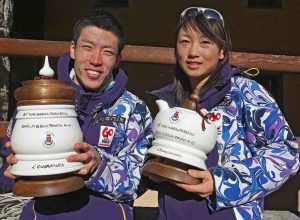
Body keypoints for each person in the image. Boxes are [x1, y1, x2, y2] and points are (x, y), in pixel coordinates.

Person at [142, 7, 299, 220]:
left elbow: (287, 153)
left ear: (222, 51)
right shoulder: (169, 102)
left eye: (205, 42)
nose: (193, 52)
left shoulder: (244, 93)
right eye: (185, 41)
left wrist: (221, 182)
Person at [0, 9, 153, 219]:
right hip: (42, 212)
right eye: (87, 48)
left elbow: (141, 180)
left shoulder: (134, 110)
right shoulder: (39, 100)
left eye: (107, 52)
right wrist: (12, 172)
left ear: (117, 59)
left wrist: (99, 166)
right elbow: (8, 162)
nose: (96, 60)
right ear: (73, 49)